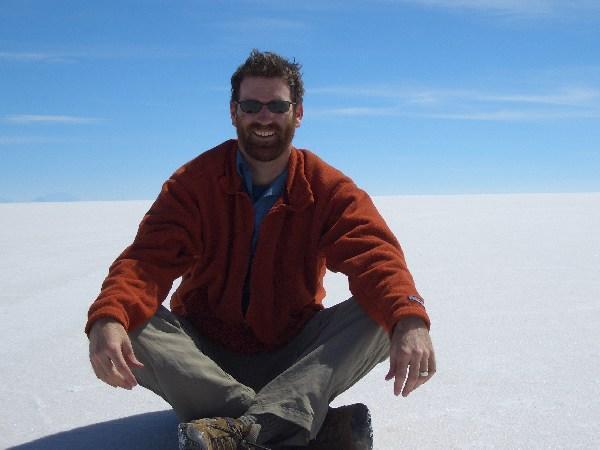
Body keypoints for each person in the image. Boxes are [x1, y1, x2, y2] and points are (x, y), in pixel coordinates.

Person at [86, 49, 436, 450]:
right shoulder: (195, 183)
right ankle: (300, 423)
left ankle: (237, 432)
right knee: (126, 318)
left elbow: (375, 255)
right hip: (204, 357)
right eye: (251, 105)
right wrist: (109, 317)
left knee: (383, 315)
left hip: (293, 354)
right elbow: (146, 262)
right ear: (234, 112)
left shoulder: (325, 188)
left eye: (277, 106)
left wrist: (410, 320)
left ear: (298, 113)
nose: (264, 117)